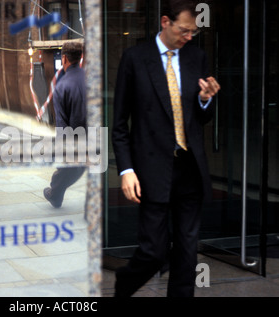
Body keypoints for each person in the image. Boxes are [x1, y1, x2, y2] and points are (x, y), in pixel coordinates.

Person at [111, 0, 221, 297]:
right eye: (184, 30)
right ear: (165, 22)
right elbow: (120, 123)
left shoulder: (197, 57)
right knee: (154, 252)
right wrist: (126, 169)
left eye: (193, 32)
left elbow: (202, 118)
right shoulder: (135, 58)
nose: (188, 37)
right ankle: (124, 284)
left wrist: (205, 99)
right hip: (151, 170)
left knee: (187, 253)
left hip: (190, 168)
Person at [43, 41, 86, 208]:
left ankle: (55, 193)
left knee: (69, 168)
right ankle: (55, 193)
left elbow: (62, 123)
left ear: (64, 59)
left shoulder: (62, 86)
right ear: (81, 57)